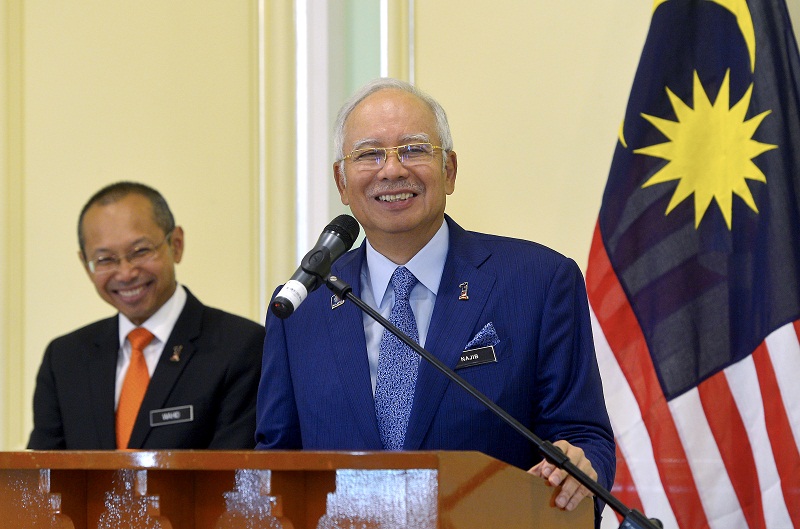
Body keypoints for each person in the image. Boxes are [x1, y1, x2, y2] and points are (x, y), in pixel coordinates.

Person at [255, 79, 615, 520]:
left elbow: (584, 438)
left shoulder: (538, 281)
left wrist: (580, 464)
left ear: (449, 170)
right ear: (342, 182)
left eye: (413, 149)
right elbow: (275, 463)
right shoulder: (302, 304)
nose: (392, 170)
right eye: (369, 154)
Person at [28, 181, 264, 450]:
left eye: (140, 251)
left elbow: (235, 478)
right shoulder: (65, 358)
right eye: (105, 259)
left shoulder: (240, 346)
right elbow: (42, 478)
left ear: (176, 244)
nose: (126, 273)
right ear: (86, 265)